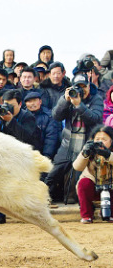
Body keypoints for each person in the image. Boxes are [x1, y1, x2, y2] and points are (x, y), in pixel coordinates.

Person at [0, 89, 42, 223]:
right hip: (1, 157)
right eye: (5, 104)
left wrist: (11, 121)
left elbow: (27, 138)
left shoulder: (28, 117)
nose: (7, 108)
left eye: (11, 106)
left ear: (20, 104)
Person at [45, 70, 103, 204]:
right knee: (53, 173)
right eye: (78, 87)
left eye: (84, 87)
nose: (81, 90)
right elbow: (56, 116)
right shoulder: (68, 96)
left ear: (89, 86)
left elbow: (95, 119)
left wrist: (78, 105)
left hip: (87, 145)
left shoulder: (96, 99)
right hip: (68, 143)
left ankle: (84, 205)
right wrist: (65, 101)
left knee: (80, 178)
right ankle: (42, 200)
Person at [73, 125, 113, 223]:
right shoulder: (89, 149)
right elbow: (77, 167)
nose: (100, 142)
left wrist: (108, 155)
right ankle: (87, 216)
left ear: (111, 141)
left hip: (111, 186)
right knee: (84, 183)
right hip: (93, 186)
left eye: (104, 139)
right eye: (97, 139)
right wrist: (85, 154)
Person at [25, 91, 61, 160]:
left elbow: (51, 137)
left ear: (40, 102)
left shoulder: (49, 116)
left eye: (35, 101)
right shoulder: (23, 115)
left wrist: (46, 156)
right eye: (29, 101)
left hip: (43, 152)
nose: (32, 103)